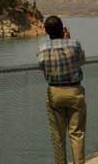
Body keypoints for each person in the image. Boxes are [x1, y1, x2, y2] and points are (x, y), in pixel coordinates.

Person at [38, 16, 87, 164]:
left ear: (46, 31)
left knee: (58, 136)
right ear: (63, 29)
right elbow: (82, 61)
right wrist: (68, 39)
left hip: (55, 93)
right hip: (75, 91)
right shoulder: (75, 44)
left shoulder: (42, 48)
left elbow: (41, 66)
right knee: (77, 134)